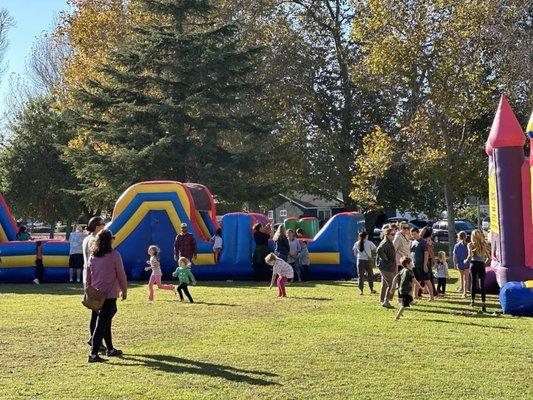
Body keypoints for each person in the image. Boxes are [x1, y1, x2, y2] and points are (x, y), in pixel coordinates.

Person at [86, 229, 127, 363]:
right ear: (109, 240)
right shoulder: (114, 255)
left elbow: (88, 274)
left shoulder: (93, 256)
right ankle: (93, 354)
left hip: (96, 293)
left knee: (105, 319)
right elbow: (121, 274)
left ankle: (110, 348)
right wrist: (124, 290)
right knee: (102, 322)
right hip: (109, 294)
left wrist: (88, 289)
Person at [82, 216, 106, 350]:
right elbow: (96, 260)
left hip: (87, 276)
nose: (104, 226)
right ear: (97, 226)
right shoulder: (94, 239)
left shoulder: (86, 238)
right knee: (99, 311)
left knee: (95, 310)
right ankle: (95, 340)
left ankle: (93, 338)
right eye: (103, 224)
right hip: (95, 277)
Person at [467, 230, 490, 312]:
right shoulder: (483, 244)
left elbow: (469, 256)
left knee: (473, 283)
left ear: (472, 236)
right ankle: (483, 304)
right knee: (482, 284)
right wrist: (484, 264)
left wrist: (466, 260)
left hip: (473, 264)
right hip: (481, 264)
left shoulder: (470, 244)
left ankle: (472, 301)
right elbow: (489, 258)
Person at [410, 227, 433, 301]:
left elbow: (426, 254)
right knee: (416, 281)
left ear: (418, 233)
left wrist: (425, 265)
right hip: (414, 265)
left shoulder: (424, 242)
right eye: (412, 234)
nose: (413, 236)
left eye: (415, 234)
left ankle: (431, 297)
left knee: (427, 280)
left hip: (422, 265)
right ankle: (415, 296)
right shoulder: (413, 242)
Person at [376, 227, 397, 308]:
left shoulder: (389, 242)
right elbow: (379, 249)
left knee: (385, 284)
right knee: (391, 284)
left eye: (394, 234)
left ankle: (382, 299)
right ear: (387, 235)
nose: (394, 236)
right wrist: (385, 259)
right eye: (392, 234)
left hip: (386, 266)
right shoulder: (385, 243)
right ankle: (386, 301)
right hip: (385, 267)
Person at [421, 226, 437, 296]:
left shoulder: (423, 240)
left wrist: (433, 260)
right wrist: (434, 260)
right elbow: (430, 251)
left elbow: (430, 251)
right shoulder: (428, 240)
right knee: (428, 276)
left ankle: (430, 291)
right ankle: (432, 291)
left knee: (427, 276)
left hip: (424, 259)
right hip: (427, 259)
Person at [453, 231, 470, 298]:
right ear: (466, 237)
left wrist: (455, 264)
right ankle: (465, 291)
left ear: (459, 237)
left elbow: (455, 256)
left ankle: (462, 288)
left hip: (459, 263)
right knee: (466, 278)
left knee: (461, 276)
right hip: (466, 263)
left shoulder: (456, 245)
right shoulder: (468, 245)